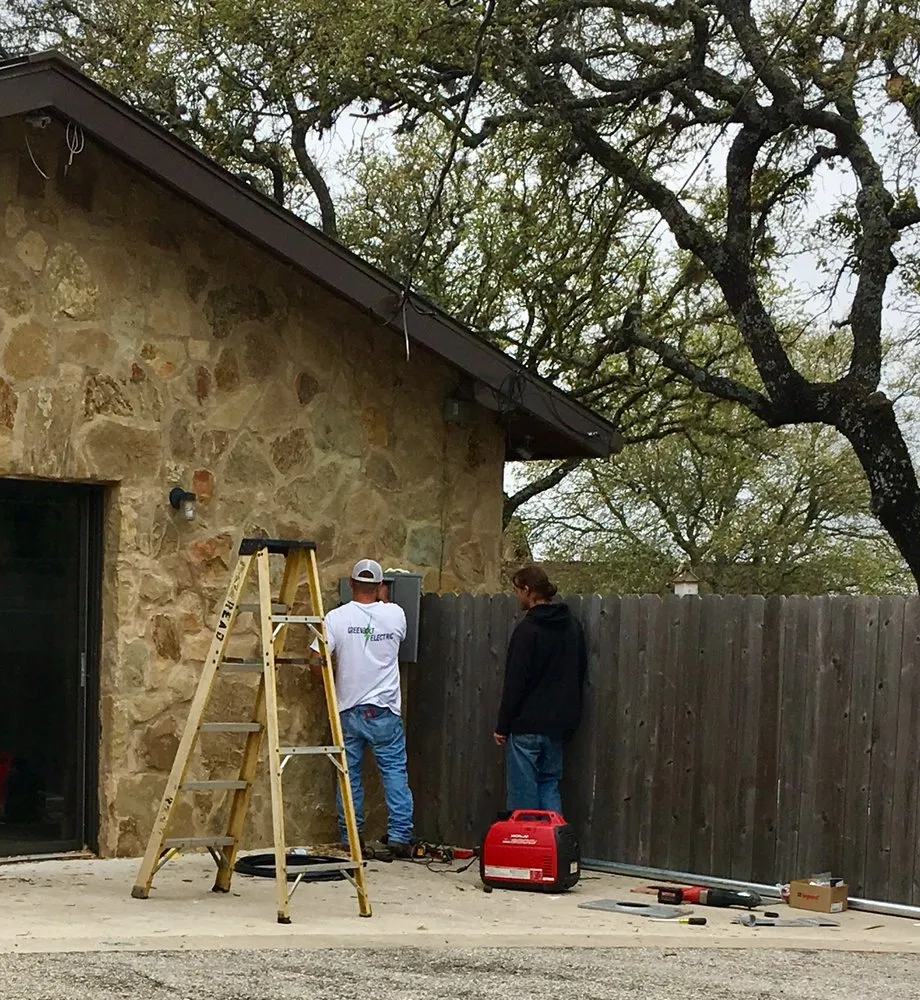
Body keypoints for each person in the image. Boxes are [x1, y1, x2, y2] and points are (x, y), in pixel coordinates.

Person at [312, 558, 414, 860]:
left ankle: (351, 838)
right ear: (381, 586)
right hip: (384, 710)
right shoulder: (395, 614)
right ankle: (400, 835)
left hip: (348, 708)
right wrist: (382, 599)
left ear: (351, 584)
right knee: (394, 772)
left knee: (349, 775)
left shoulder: (335, 618)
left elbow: (315, 657)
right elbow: (394, 626)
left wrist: (330, 689)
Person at [493, 564, 587, 814]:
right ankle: (554, 845)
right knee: (549, 784)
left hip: (527, 725)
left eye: (517, 591)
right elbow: (579, 672)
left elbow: (516, 681)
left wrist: (503, 725)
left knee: (523, 792)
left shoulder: (527, 630)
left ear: (528, 590)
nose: (517, 597)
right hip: (558, 725)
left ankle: (526, 848)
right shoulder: (572, 627)